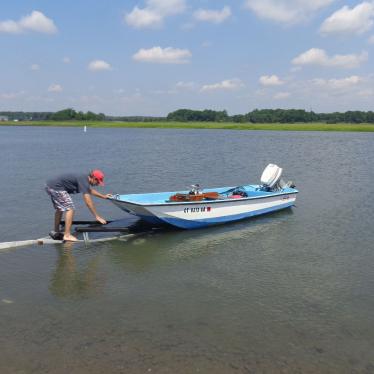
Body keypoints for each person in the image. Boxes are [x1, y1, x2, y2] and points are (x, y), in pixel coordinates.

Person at [45, 169, 111, 242]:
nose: (98, 184)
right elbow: (88, 201)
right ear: (93, 178)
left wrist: (103, 196)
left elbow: (89, 190)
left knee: (60, 208)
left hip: (50, 185)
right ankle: (67, 235)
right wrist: (97, 216)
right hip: (57, 187)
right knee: (70, 208)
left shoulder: (84, 179)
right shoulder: (84, 180)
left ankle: (56, 231)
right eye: (98, 182)